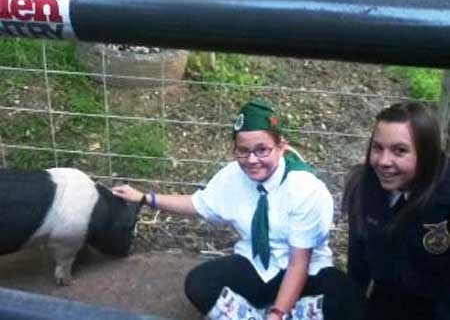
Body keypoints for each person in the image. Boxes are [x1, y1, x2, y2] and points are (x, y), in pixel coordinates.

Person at [113, 99, 363, 320]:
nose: (252, 160)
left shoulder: (304, 187)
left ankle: (269, 313)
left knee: (346, 298)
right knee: (199, 283)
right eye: (243, 151)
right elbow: (198, 204)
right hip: (258, 265)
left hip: (304, 270)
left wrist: (277, 314)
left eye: (262, 150)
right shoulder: (233, 175)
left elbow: (299, 263)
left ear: (281, 146)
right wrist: (146, 198)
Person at [344, 102, 450, 320]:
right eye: (377, 147)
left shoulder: (445, 198)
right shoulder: (363, 188)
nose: (383, 161)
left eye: (399, 151)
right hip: (385, 302)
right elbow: (358, 269)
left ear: (427, 154)